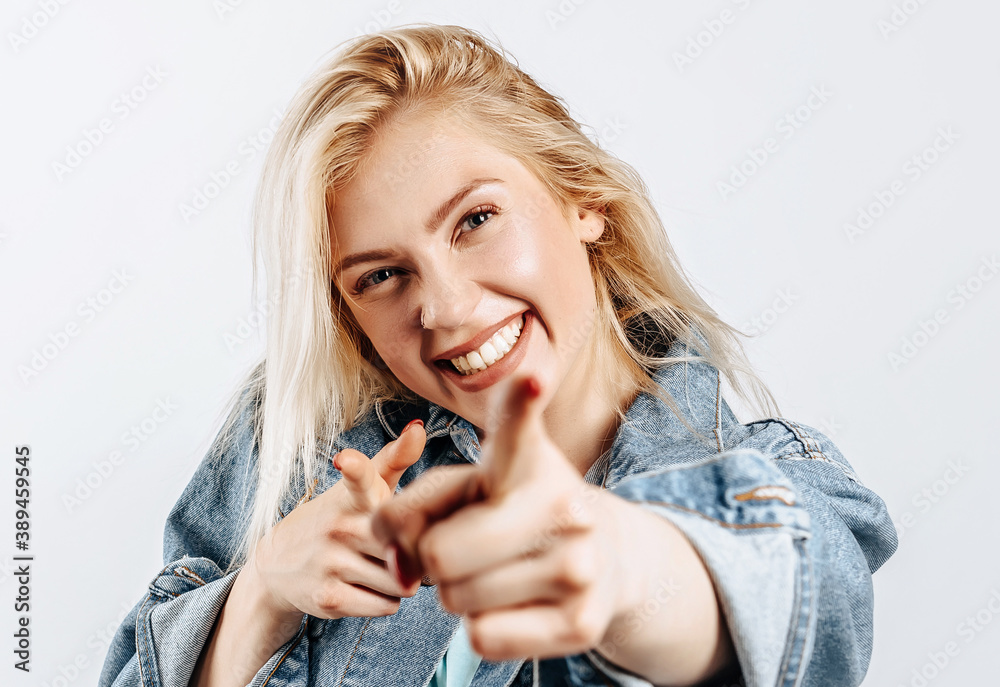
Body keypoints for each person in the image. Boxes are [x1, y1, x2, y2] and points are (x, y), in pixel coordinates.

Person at [98, 23, 898, 687]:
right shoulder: (299, 446)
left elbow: (800, 608)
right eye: (381, 275)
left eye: (476, 220)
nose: (443, 309)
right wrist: (262, 597)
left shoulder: (775, 479)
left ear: (585, 201)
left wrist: (608, 563)